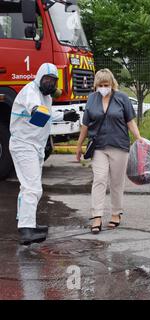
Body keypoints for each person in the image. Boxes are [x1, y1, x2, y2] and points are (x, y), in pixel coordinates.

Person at [10, 63, 80, 245]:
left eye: (53, 81)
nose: (50, 84)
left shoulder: (45, 96)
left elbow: (45, 115)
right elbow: (36, 111)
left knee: (27, 188)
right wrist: (37, 111)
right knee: (33, 188)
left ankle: (28, 223)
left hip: (35, 146)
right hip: (24, 145)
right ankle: (26, 230)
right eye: (47, 80)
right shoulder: (31, 91)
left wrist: (64, 116)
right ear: (39, 78)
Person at [76, 69, 143, 234]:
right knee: (99, 179)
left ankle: (116, 212)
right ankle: (96, 216)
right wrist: (79, 146)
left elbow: (130, 121)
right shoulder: (92, 99)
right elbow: (86, 125)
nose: (103, 88)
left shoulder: (122, 98)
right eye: (100, 85)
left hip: (119, 146)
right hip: (99, 146)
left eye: (106, 85)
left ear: (112, 84)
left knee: (116, 182)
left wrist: (139, 138)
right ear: (96, 85)